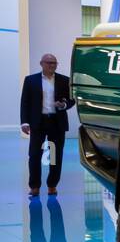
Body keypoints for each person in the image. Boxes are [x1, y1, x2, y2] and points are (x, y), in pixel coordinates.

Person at [20, 53, 74, 198]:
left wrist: (64, 105)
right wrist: (24, 122)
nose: (52, 65)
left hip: (56, 123)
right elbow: (25, 102)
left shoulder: (64, 80)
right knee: (34, 155)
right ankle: (34, 186)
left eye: (54, 63)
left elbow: (71, 99)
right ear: (41, 63)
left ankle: (52, 185)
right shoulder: (31, 80)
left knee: (55, 156)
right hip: (38, 122)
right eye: (49, 62)